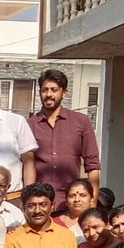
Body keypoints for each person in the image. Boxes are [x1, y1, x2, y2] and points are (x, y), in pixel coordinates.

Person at [27, 69, 100, 208]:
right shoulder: (29, 125)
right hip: (40, 204)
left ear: (64, 92)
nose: (49, 94)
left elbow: (93, 165)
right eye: (44, 90)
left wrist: (92, 204)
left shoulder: (81, 122)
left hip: (71, 202)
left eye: (54, 90)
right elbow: (25, 165)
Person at [54, 177, 95, 242]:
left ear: (91, 199)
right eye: (72, 196)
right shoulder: (54, 223)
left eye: (82, 195)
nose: (77, 200)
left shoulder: (98, 223)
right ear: (66, 200)